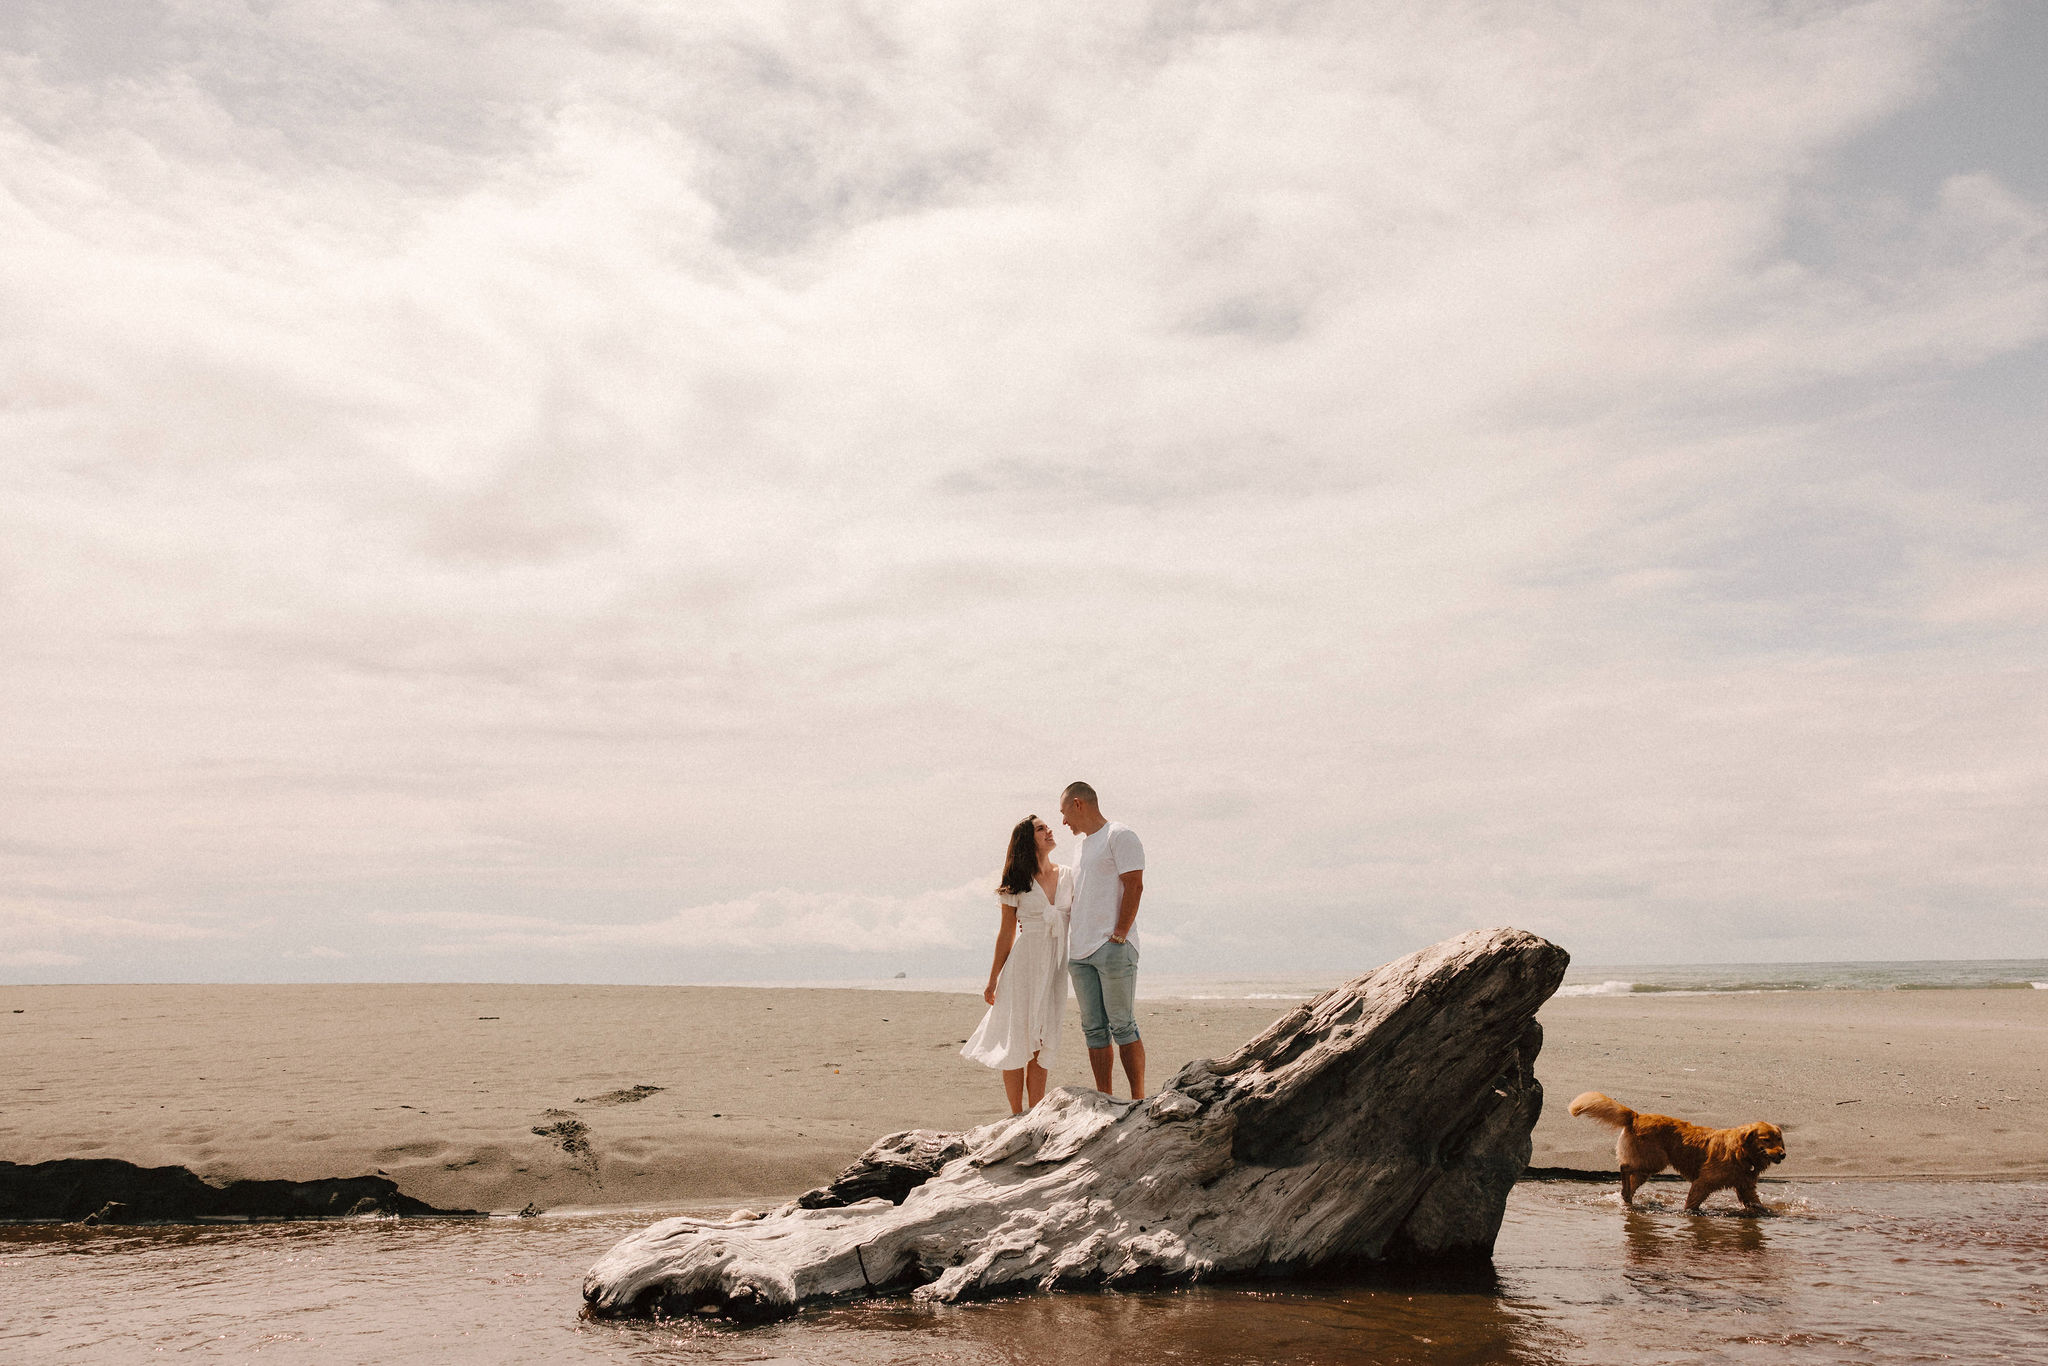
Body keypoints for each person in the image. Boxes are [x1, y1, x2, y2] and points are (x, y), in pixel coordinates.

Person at [960, 814, 1071, 1114]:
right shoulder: (1016, 883)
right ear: (1027, 839)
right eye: (1041, 829)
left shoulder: (1069, 875)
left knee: (1042, 1039)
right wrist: (993, 979)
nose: (1049, 831)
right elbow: (1006, 934)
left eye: (1047, 827)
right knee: (1016, 1039)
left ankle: (1035, 1113)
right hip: (1022, 967)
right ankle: (1016, 1115)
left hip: (1055, 967)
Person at [1059, 781, 1145, 1099]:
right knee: (1093, 1030)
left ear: (1078, 804)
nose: (1063, 821)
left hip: (1112, 948)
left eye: (1064, 812)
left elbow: (1134, 885)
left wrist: (1120, 935)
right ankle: (1105, 1097)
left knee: (1122, 1025)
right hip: (1079, 953)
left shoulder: (1119, 835)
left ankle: (1138, 1100)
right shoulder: (1081, 847)